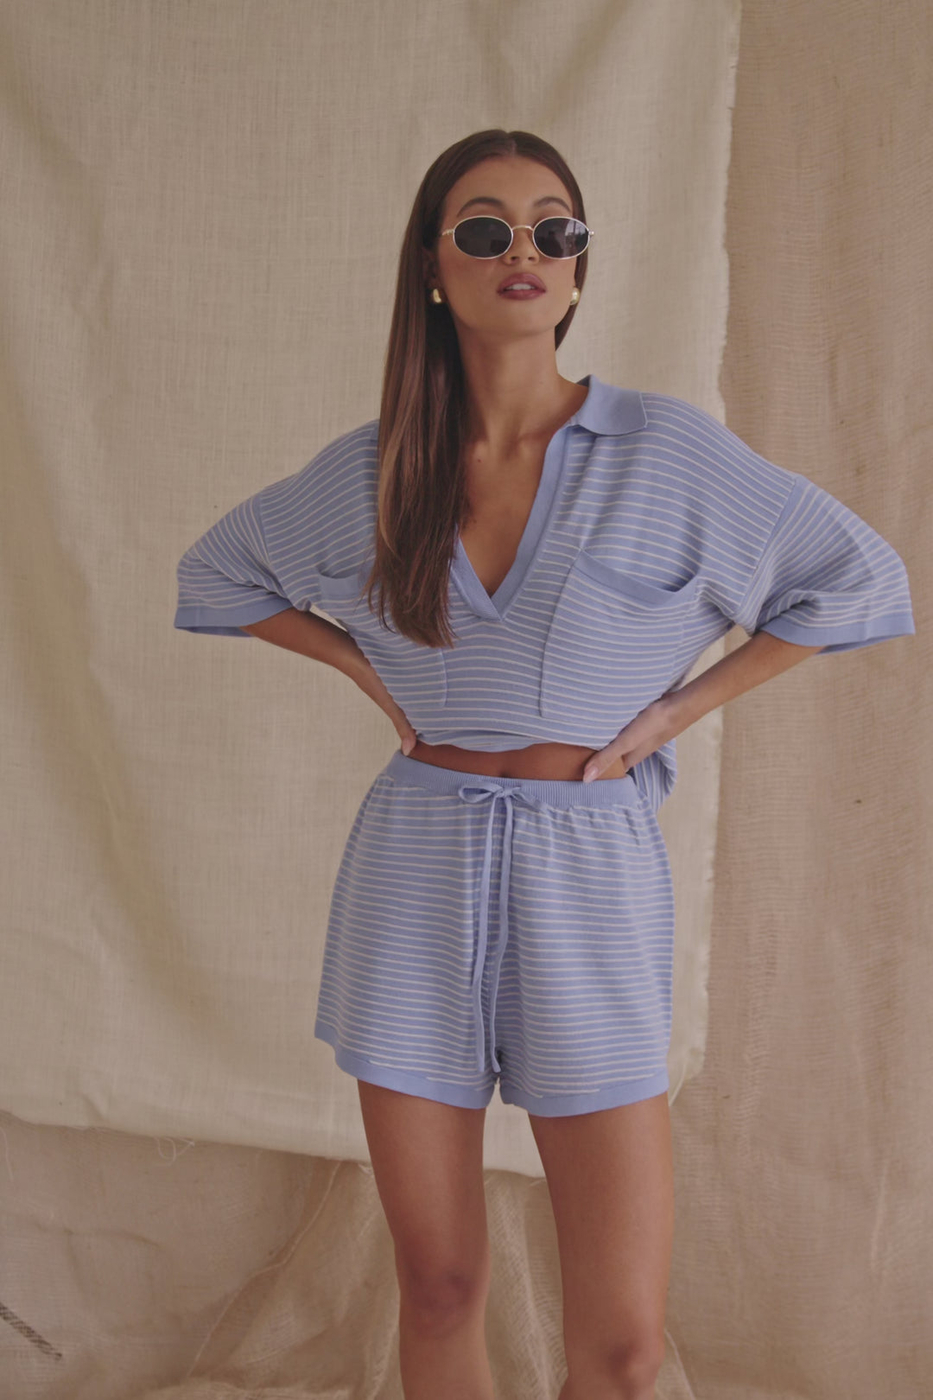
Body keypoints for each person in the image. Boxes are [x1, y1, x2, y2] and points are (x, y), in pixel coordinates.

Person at [174, 129, 915, 1400]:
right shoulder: (378, 468)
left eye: (553, 228)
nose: (523, 249)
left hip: (590, 870)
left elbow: (859, 577)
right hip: (416, 867)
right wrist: (369, 672)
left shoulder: (666, 454)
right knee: (439, 1282)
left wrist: (675, 713)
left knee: (623, 1345)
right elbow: (219, 573)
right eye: (485, 228)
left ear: (578, 266)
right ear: (432, 264)